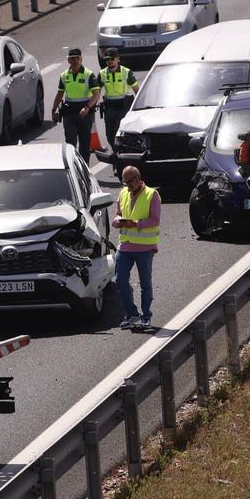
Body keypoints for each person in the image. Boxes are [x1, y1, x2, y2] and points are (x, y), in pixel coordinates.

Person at [114, 165, 160, 330]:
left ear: (138, 178)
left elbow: (155, 220)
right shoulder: (123, 193)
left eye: (130, 181)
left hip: (145, 248)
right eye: (125, 182)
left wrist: (135, 224)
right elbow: (118, 213)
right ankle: (132, 314)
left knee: (145, 283)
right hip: (125, 247)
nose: (128, 185)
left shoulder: (151, 194)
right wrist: (117, 221)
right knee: (120, 280)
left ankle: (146, 316)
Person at [52, 48, 101, 164]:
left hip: (84, 114)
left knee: (84, 143)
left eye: (77, 58)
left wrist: (87, 107)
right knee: (70, 143)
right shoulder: (64, 75)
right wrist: (54, 110)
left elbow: (96, 94)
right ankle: (73, 167)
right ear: (68, 60)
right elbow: (60, 93)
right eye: (72, 58)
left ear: (81, 59)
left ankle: (84, 167)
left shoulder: (89, 74)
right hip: (69, 113)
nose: (75, 61)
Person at [94, 49, 139, 176]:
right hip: (110, 107)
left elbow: (137, 90)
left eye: (112, 59)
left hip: (124, 107)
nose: (110, 62)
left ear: (118, 59)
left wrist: (138, 108)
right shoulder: (102, 74)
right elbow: (97, 92)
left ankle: (118, 163)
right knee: (110, 136)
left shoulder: (126, 72)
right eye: (107, 60)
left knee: (120, 136)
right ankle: (117, 156)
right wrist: (91, 106)